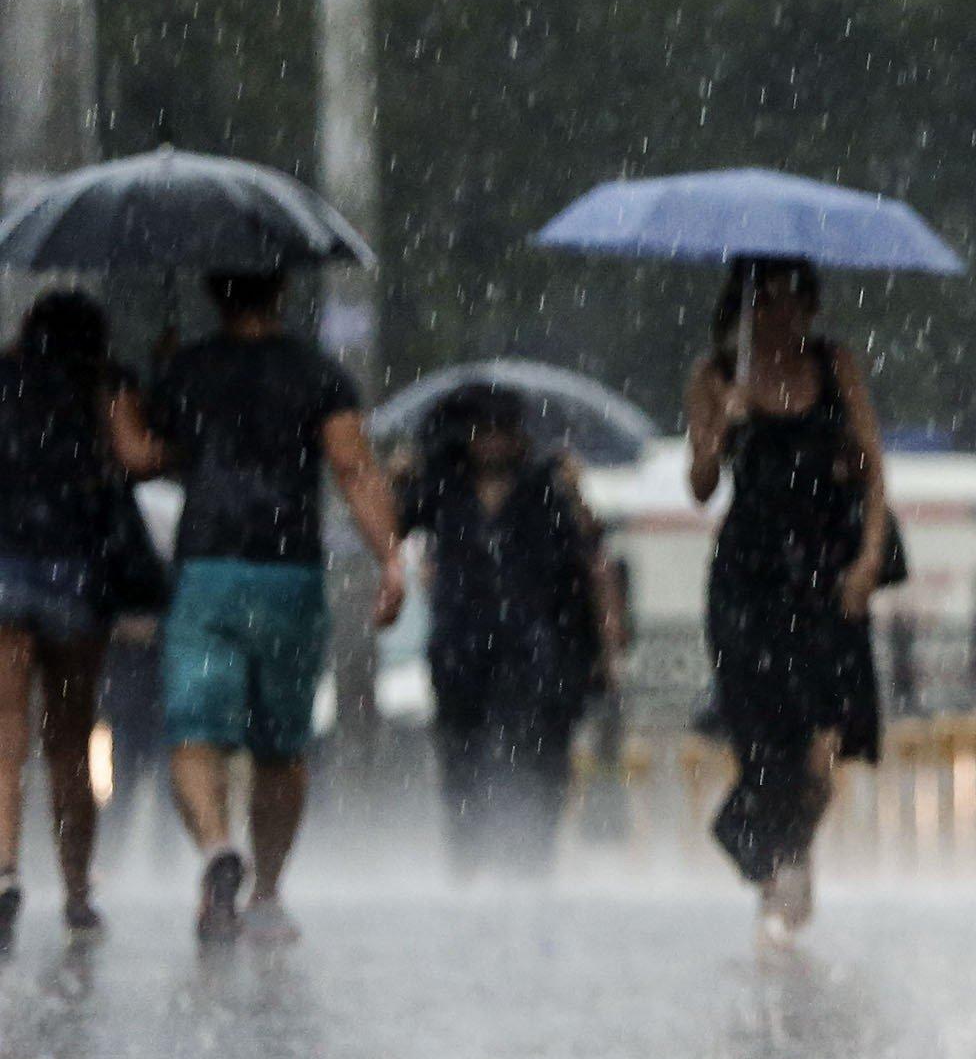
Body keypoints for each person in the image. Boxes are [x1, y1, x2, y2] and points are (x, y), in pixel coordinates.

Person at [137, 268, 405, 944]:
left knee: (194, 733)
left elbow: (149, 456)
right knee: (280, 747)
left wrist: (157, 378)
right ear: (280, 293)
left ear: (213, 294)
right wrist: (391, 557)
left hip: (208, 569)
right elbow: (352, 467)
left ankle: (217, 847)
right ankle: (268, 893)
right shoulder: (318, 374)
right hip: (289, 574)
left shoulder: (188, 369)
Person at [681, 257, 888, 944]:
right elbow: (701, 484)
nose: (779, 317)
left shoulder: (835, 366)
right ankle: (780, 875)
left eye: (793, 302)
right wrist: (725, 423)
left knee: (825, 740)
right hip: (748, 578)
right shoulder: (715, 375)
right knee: (764, 736)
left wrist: (866, 560)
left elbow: (873, 468)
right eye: (764, 302)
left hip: (825, 574)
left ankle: (769, 846)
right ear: (743, 308)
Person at [395, 384, 621, 877]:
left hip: (540, 646)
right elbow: (395, 525)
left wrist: (607, 648)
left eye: (504, 429)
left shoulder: (549, 485)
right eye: (483, 430)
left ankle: (532, 860)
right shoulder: (441, 486)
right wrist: (398, 476)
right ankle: (467, 857)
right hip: (461, 645)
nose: (493, 441)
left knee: (541, 755)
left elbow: (592, 557)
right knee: (462, 756)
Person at [0, 293, 149, 946]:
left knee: (4, 739)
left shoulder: (4, 379)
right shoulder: (105, 385)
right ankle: (78, 892)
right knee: (69, 744)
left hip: (4, 565)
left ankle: (3, 872)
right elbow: (137, 459)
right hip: (77, 572)